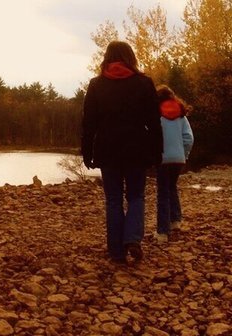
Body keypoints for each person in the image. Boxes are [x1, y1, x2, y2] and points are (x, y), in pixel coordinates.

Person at [81, 41, 163, 264]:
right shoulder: (144, 83)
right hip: (137, 149)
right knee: (136, 196)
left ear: (107, 58)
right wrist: (158, 152)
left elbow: (89, 123)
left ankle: (116, 251)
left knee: (113, 200)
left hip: (108, 150)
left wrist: (86, 152)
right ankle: (132, 238)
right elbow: (154, 123)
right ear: (131, 57)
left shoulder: (96, 85)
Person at [155, 85, 194, 243]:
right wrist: (184, 154)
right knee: (171, 187)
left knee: (163, 192)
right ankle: (175, 221)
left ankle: (162, 232)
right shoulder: (181, 116)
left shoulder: (156, 116)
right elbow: (189, 138)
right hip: (178, 159)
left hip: (162, 159)